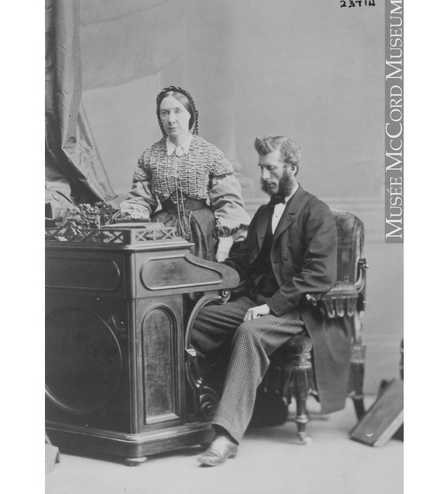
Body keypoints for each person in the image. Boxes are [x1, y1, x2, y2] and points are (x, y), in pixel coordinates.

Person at [191, 136, 352, 466]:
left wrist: (270, 306)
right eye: (261, 168)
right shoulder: (265, 213)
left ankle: (226, 436)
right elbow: (242, 262)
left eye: (271, 168)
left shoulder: (316, 212)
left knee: (250, 332)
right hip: (257, 299)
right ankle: (203, 408)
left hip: (296, 308)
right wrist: (205, 279)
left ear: (292, 168)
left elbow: (319, 275)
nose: (264, 176)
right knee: (196, 321)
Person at [119, 86, 250, 262]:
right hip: (164, 232)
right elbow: (140, 199)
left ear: (190, 115)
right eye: (164, 113)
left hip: (204, 230)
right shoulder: (150, 156)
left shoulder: (210, 153)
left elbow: (228, 201)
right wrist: (137, 213)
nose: (171, 119)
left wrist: (225, 245)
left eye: (177, 111)